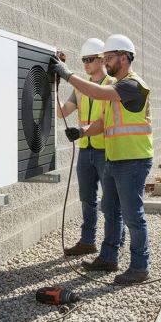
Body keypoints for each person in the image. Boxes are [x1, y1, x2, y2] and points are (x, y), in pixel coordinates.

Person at [49, 34, 153, 284]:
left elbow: (96, 91)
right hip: (117, 158)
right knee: (110, 209)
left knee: (132, 216)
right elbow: (103, 121)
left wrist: (66, 73)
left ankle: (140, 267)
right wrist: (82, 131)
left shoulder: (131, 85)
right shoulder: (119, 85)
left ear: (124, 57)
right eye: (103, 57)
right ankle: (108, 257)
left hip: (133, 160)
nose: (105, 62)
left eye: (109, 57)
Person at [56, 38, 115, 256]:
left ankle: (114, 245)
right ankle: (87, 241)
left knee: (110, 202)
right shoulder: (80, 89)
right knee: (87, 200)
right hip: (85, 151)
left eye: (90, 59)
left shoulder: (112, 85)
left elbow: (104, 122)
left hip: (106, 151)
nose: (86, 64)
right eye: (83, 60)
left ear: (102, 60)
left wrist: (82, 130)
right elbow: (62, 112)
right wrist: (53, 87)